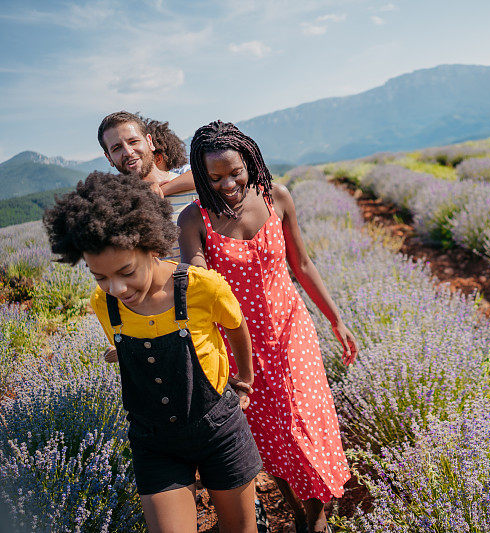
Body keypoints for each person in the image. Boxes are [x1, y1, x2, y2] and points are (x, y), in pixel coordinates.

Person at [43, 171, 263, 532]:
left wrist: (245, 381)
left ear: (151, 244)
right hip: (154, 440)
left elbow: (237, 326)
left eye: (126, 271)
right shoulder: (104, 304)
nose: (116, 287)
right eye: (100, 277)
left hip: (218, 429)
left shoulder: (202, 287)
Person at [178, 121, 357, 533]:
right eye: (214, 177)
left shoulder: (276, 196)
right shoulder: (194, 220)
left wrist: (337, 320)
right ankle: (295, 507)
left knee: (304, 423)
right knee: (267, 434)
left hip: (292, 332)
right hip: (240, 345)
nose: (227, 184)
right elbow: (197, 288)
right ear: (201, 177)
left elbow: (303, 265)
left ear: (250, 160)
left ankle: (316, 515)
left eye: (234, 171)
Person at [97, 111, 196, 260]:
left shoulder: (193, 190)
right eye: (117, 148)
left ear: (149, 142)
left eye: (133, 141)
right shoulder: (116, 210)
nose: (128, 152)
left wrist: (161, 189)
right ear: (109, 158)